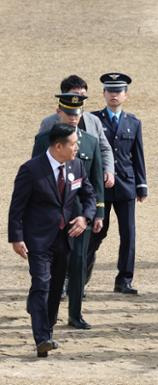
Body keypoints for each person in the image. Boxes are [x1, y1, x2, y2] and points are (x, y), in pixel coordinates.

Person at [9, 123, 96, 357]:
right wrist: (16, 238)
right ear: (58, 146)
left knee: (56, 288)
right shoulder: (31, 169)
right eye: (73, 144)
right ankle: (41, 339)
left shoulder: (76, 166)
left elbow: (89, 195)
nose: (77, 148)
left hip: (64, 239)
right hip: (37, 239)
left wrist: (84, 218)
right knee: (42, 284)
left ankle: (47, 332)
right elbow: (17, 207)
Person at [33, 93, 104, 330]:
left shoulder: (90, 142)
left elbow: (95, 183)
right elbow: (36, 176)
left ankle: (75, 314)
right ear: (59, 112)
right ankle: (42, 310)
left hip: (79, 216)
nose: (74, 118)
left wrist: (95, 214)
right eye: (69, 113)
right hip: (51, 217)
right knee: (49, 267)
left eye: (78, 113)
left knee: (78, 263)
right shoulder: (44, 140)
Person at [88, 73, 147, 295]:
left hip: (126, 184)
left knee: (128, 233)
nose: (114, 95)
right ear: (103, 94)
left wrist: (142, 185)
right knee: (96, 231)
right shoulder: (93, 120)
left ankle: (124, 280)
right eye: (110, 91)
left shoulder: (133, 122)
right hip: (100, 186)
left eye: (119, 91)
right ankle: (79, 277)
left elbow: (137, 155)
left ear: (125, 95)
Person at [39, 75, 114, 189]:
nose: (80, 98)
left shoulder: (94, 121)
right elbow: (41, 151)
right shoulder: (49, 123)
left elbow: (104, 148)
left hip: (88, 181)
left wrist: (109, 170)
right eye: (75, 94)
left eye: (83, 95)